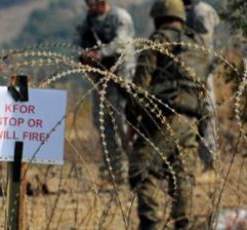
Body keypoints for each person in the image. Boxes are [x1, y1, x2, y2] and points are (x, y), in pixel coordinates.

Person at [126, 0, 210, 229]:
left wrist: (132, 120)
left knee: (142, 169)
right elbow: (203, 90)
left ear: (158, 17)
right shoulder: (196, 44)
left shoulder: (157, 42)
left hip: (163, 116)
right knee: (182, 175)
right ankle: (183, 223)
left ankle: (151, 223)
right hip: (192, 119)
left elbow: (139, 87)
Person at [76, 0, 135, 184]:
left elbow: (121, 42)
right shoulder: (89, 22)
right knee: (102, 123)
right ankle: (114, 170)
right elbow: (78, 43)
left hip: (120, 79)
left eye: (94, 3)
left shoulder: (120, 18)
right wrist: (84, 56)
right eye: (89, 3)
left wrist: (100, 54)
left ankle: (136, 167)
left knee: (123, 124)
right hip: (100, 79)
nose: (91, 6)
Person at [184, 0, 220, 170]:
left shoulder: (201, 12)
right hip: (189, 71)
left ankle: (210, 165)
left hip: (201, 71)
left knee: (206, 114)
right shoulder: (186, 10)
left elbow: (203, 44)